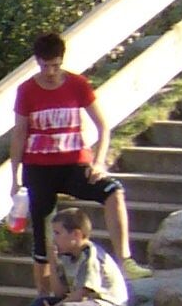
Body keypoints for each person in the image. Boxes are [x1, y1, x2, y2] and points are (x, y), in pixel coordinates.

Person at [8, 32, 133, 286]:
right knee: (43, 244)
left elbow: (103, 127)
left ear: (61, 61)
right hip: (39, 169)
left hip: (75, 164)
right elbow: (19, 134)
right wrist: (14, 176)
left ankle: (125, 259)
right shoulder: (27, 90)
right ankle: (45, 299)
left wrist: (98, 163)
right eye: (45, 66)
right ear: (37, 62)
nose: (50, 72)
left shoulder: (77, 84)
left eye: (55, 65)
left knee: (114, 191)